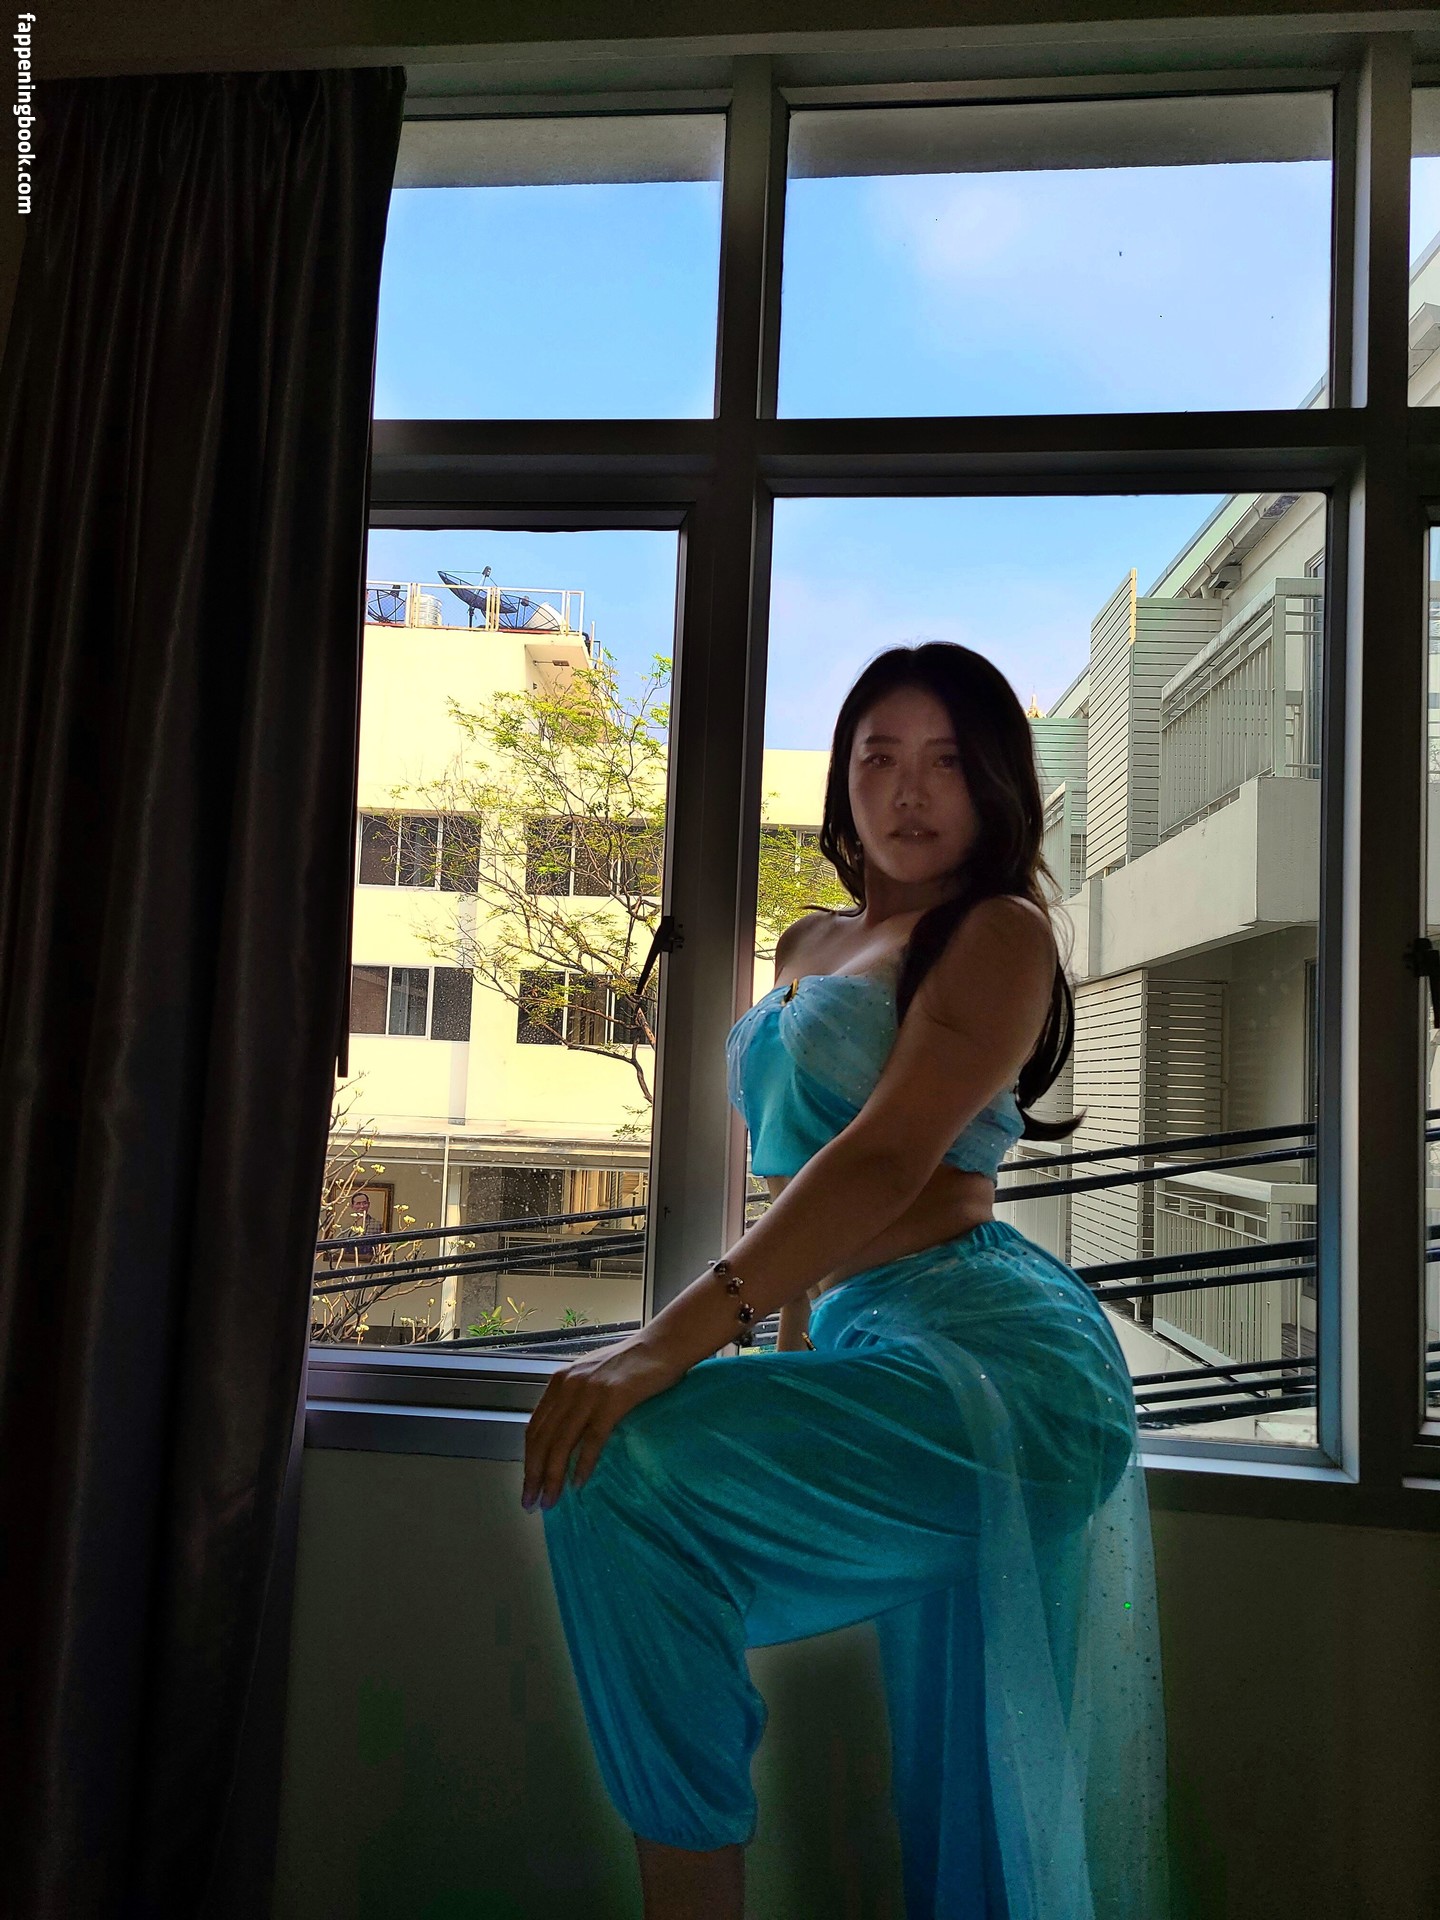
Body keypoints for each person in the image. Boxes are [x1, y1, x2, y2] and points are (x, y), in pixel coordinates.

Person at [523, 642, 1169, 1920]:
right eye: (879, 758)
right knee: (612, 1482)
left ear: (994, 785)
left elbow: (879, 1159)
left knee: (625, 1458)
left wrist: (662, 1344)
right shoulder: (806, 941)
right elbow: (797, 1195)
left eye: (946, 761)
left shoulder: (999, 933)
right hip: (863, 1334)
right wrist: (780, 1359)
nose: (908, 790)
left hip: (997, 1352)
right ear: (843, 779)